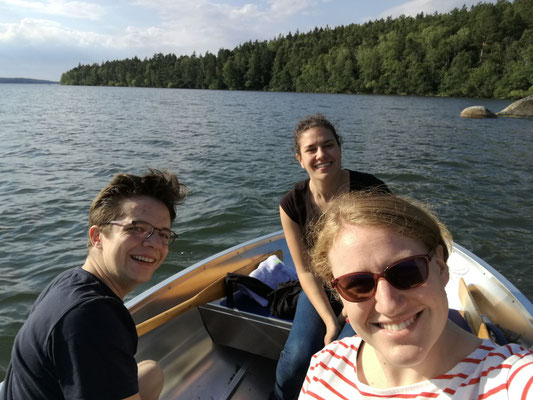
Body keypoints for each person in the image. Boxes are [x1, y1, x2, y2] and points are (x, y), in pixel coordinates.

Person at [300, 191, 533, 399]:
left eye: (407, 272)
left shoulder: (510, 378)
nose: (389, 304)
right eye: (357, 284)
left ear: (440, 267)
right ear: (339, 295)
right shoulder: (324, 367)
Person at [1, 169, 187, 400]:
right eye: (137, 228)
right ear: (97, 237)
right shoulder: (91, 316)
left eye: (163, 234)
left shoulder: (70, 281)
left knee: (151, 372)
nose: (154, 243)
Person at [274, 114, 390, 399]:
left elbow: (392, 253)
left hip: (370, 286)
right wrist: (330, 320)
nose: (321, 154)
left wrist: (349, 309)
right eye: (311, 149)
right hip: (321, 286)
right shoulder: (291, 205)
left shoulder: (370, 191)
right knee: (297, 358)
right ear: (299, 159)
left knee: (344, 356)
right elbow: (305, 271)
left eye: (328, 145)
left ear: (340, 149)